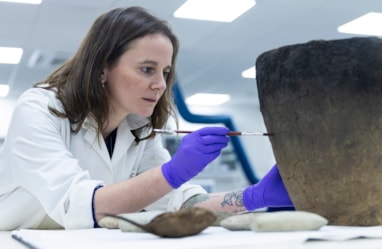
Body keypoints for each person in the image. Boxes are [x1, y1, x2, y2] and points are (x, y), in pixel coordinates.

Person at [0, 6, 293, 230]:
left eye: (165, 72)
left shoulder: (137, 128)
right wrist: (171, 173)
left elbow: (182, 205)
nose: (161, 85)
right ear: (103, 68)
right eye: (146, 69)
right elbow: (79, 204)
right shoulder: (40, 110)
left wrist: (253, 197)